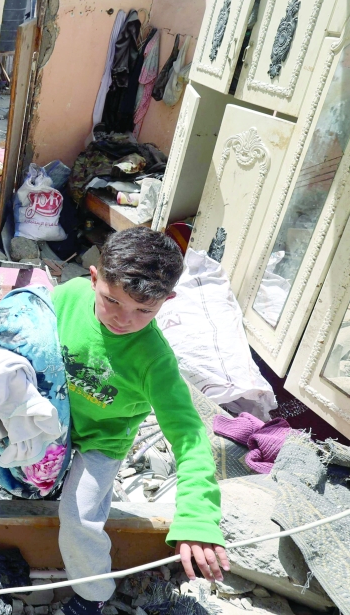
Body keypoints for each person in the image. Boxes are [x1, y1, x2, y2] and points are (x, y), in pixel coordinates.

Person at [51, 227, 228, 615]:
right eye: (112, 300)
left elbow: (189, 435)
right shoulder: (66, 298)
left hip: (102, 442)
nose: (123, 319)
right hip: (49, 422)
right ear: (94, 278)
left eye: (144, 310)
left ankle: (92, 596)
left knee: (78, 514)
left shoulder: (155, 360)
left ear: (168, 300)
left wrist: (197, 519)